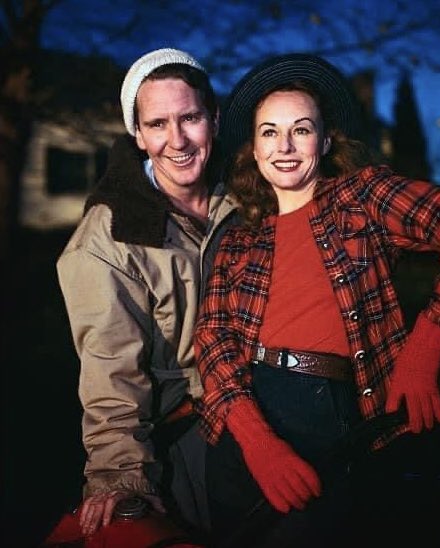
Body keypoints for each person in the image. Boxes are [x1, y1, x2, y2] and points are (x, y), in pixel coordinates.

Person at [193, 53, 440, 546]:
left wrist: (425, 347)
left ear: (326, 140)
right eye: (269, 132)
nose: (284, 147)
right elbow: (212, 338)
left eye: (301, 130)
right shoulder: (239, 238)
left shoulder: (362, 197)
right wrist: (257, 441)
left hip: (327, 412)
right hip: (242, 422)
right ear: (254, 147)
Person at [56, 47, 238, 540]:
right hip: (183, 427)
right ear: (137, 135)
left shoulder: (251, 197)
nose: (176, 140)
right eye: (157, 124)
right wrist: (121, 474)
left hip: (266, 398)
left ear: (215, 120)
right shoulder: (107, 239)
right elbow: (110, 367)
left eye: (190, 118)